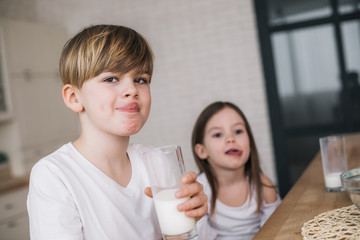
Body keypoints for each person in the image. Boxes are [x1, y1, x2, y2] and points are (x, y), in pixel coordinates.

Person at [27, 24, 207, 240]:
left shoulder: (157, 162)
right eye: (111, 79)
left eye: (140, 79)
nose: (132, 90)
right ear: (74, 97)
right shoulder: (54, 176)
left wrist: (186, 225)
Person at [191, 101, 281, 240]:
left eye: (238, 131)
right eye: (218, 134)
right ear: (202, 151)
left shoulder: (263, 186)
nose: (231, 139)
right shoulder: (199, 191)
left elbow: (278, 231)